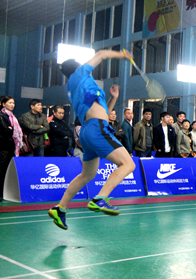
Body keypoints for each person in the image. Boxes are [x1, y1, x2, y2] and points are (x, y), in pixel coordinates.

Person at [47, 51, 137, 230]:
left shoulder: (79, 87)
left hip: (88, 130)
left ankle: (60, 208)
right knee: (128, 164)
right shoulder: (80, 74)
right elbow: (102, 54)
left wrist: (113, 98)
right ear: (78, 66)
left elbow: (104, 112)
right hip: (96, 128)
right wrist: (122, 55)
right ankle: (100, 199)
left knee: (87, 174)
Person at [0, 96, 22, 201]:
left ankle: (2, 193)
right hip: (2, 147)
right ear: (3, 104)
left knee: (6, 172)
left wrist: (11, 128)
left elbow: (13, 130)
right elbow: (5, 130)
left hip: (10, 147)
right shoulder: (0, 115)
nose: (12, 105)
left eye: (13, 103)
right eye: (10, 103)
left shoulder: (13, 117)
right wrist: (11, 129)